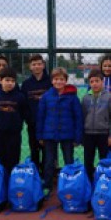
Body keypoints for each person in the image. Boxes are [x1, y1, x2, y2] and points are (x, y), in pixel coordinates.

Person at [37, 67, 83, 198]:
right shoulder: (46, 97)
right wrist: (40, 135)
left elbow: (78, 117)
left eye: (61, 79)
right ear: (52, 81)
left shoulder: (72, 97)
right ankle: (47, 185)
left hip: (67, 134)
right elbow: (41, 117)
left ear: (66, 81)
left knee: (69, 160)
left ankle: (70, 184)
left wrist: (77, 136)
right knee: (49, 161)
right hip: (49, 134)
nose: (58, 81)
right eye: (56, 79)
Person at [0, 68, 27, 178]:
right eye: (7, 80)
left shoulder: (20, 97)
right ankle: (1, 182)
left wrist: (17, 123)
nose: (10, 83)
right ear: (0, 81)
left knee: (13, 157)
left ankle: (12, 182)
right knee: (0, 157)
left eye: (13, 81)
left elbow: (24, 113)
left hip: (14, 133)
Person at [82, 69, 111, 182]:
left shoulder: (109, 97)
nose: (94, 84)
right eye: (92, 81)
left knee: (104, 160)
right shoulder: (86, 98)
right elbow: (82, 116)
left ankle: (104, 182)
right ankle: (89, 183)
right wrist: (82, 134)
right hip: (88, 134)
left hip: (103, 134)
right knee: (88, 160)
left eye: (97, 81)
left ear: (102, 82)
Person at [21, 54, 52, 174]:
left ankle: (46, 175)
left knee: (47, 151)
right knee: (34, 150)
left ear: (43, 65)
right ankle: (34, 175)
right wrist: (29, 119)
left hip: (48, 124)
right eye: (34, 64)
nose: (37, 66)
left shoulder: (50, 82)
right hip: (33, 124)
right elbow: (23, 105)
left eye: (39, 64)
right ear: (30, 67)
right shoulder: (26, 84)